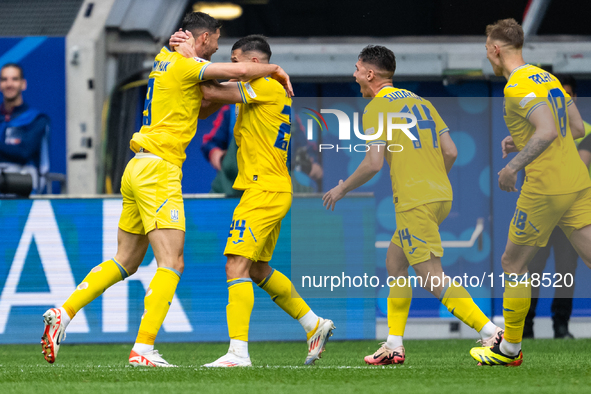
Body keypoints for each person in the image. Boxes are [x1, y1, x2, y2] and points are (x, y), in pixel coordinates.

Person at [40, 11, 294, 367]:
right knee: (171, 262)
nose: (218, 50)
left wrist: (197, 59)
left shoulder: (163, 60)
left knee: (125, 261)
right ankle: (143, 349)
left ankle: (62, 314)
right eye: (217, 42)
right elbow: (236, 72)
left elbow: (206, 99)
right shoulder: (187, 66)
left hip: (138, 166)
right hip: (160, 170)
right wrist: (274, 68)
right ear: (204, 38)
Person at [322, 45, 501, 366]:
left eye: (357, 68)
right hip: (440, 196)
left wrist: (342, 188)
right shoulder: (422, 102)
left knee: (431, 275)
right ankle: (393, 344)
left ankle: (492, 333)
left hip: (414, 200)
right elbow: (451, 152)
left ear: (370, 74)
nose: (354, 74)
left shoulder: (376, 107)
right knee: (395, 263)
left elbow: (374, 163)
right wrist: (432, 181)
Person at [171, 32, 334, 367]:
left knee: (235, 264)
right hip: (269, 188)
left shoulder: (266, 86)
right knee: (257, 269)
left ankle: (238, 352)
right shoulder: (263, 88)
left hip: (264, 189)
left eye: (235, 62)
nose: (232, 68)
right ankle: (312, 323)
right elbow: (206, 104)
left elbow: (207, 89)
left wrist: (188, 56)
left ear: (254, 63)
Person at [470, 18, 591, 366]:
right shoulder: (545, 76)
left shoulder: (516, 86)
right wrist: (522, 138)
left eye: (487, 51)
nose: (489, 58)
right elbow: (577, 127)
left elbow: (549, 130)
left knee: (512, 263)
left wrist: (512, 166)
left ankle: (508, 349)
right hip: (576, 182)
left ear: (495, 49)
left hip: (546, 189)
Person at [523, 75, 589, 339]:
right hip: (541, 210)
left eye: (568, 94)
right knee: (531, 270)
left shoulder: (585, 130)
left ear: (574, 99)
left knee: (566, 272)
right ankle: (525, 326)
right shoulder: (537, 130)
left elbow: (580, 165)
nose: (563, 98)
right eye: (558, 93)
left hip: (571, 213)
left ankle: (561, 325)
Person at [0, 63, 50, 193]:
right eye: (4, 79)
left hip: (25, 191)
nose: (9, 84)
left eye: (14, 79)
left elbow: (24, 152)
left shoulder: (37, 119)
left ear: (23, 84)